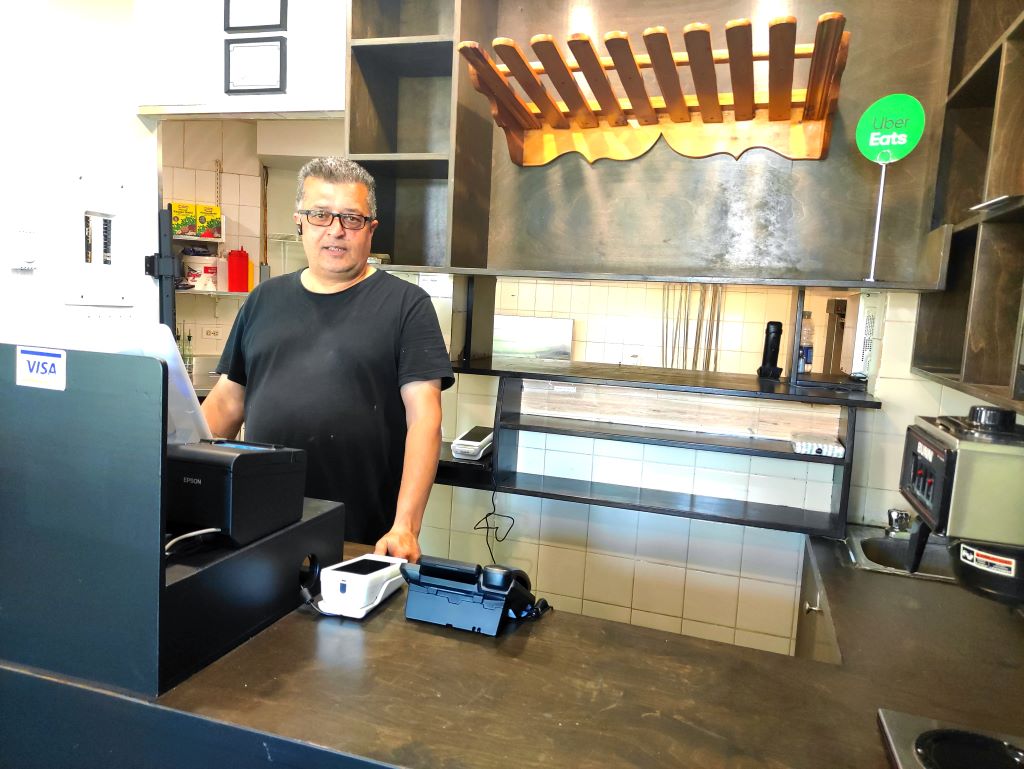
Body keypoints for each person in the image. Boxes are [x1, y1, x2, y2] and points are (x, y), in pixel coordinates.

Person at [201, 157, 454, 562]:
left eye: (351, 219)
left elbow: (425, 419)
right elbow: (228, 402)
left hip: (359, 535)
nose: (335, 229)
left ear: (371, 228)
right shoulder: (264, 299)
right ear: (300, 221)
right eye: (320, 214)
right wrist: (178, 472)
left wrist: (405, 525)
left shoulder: (407, 306)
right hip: (260, 524)